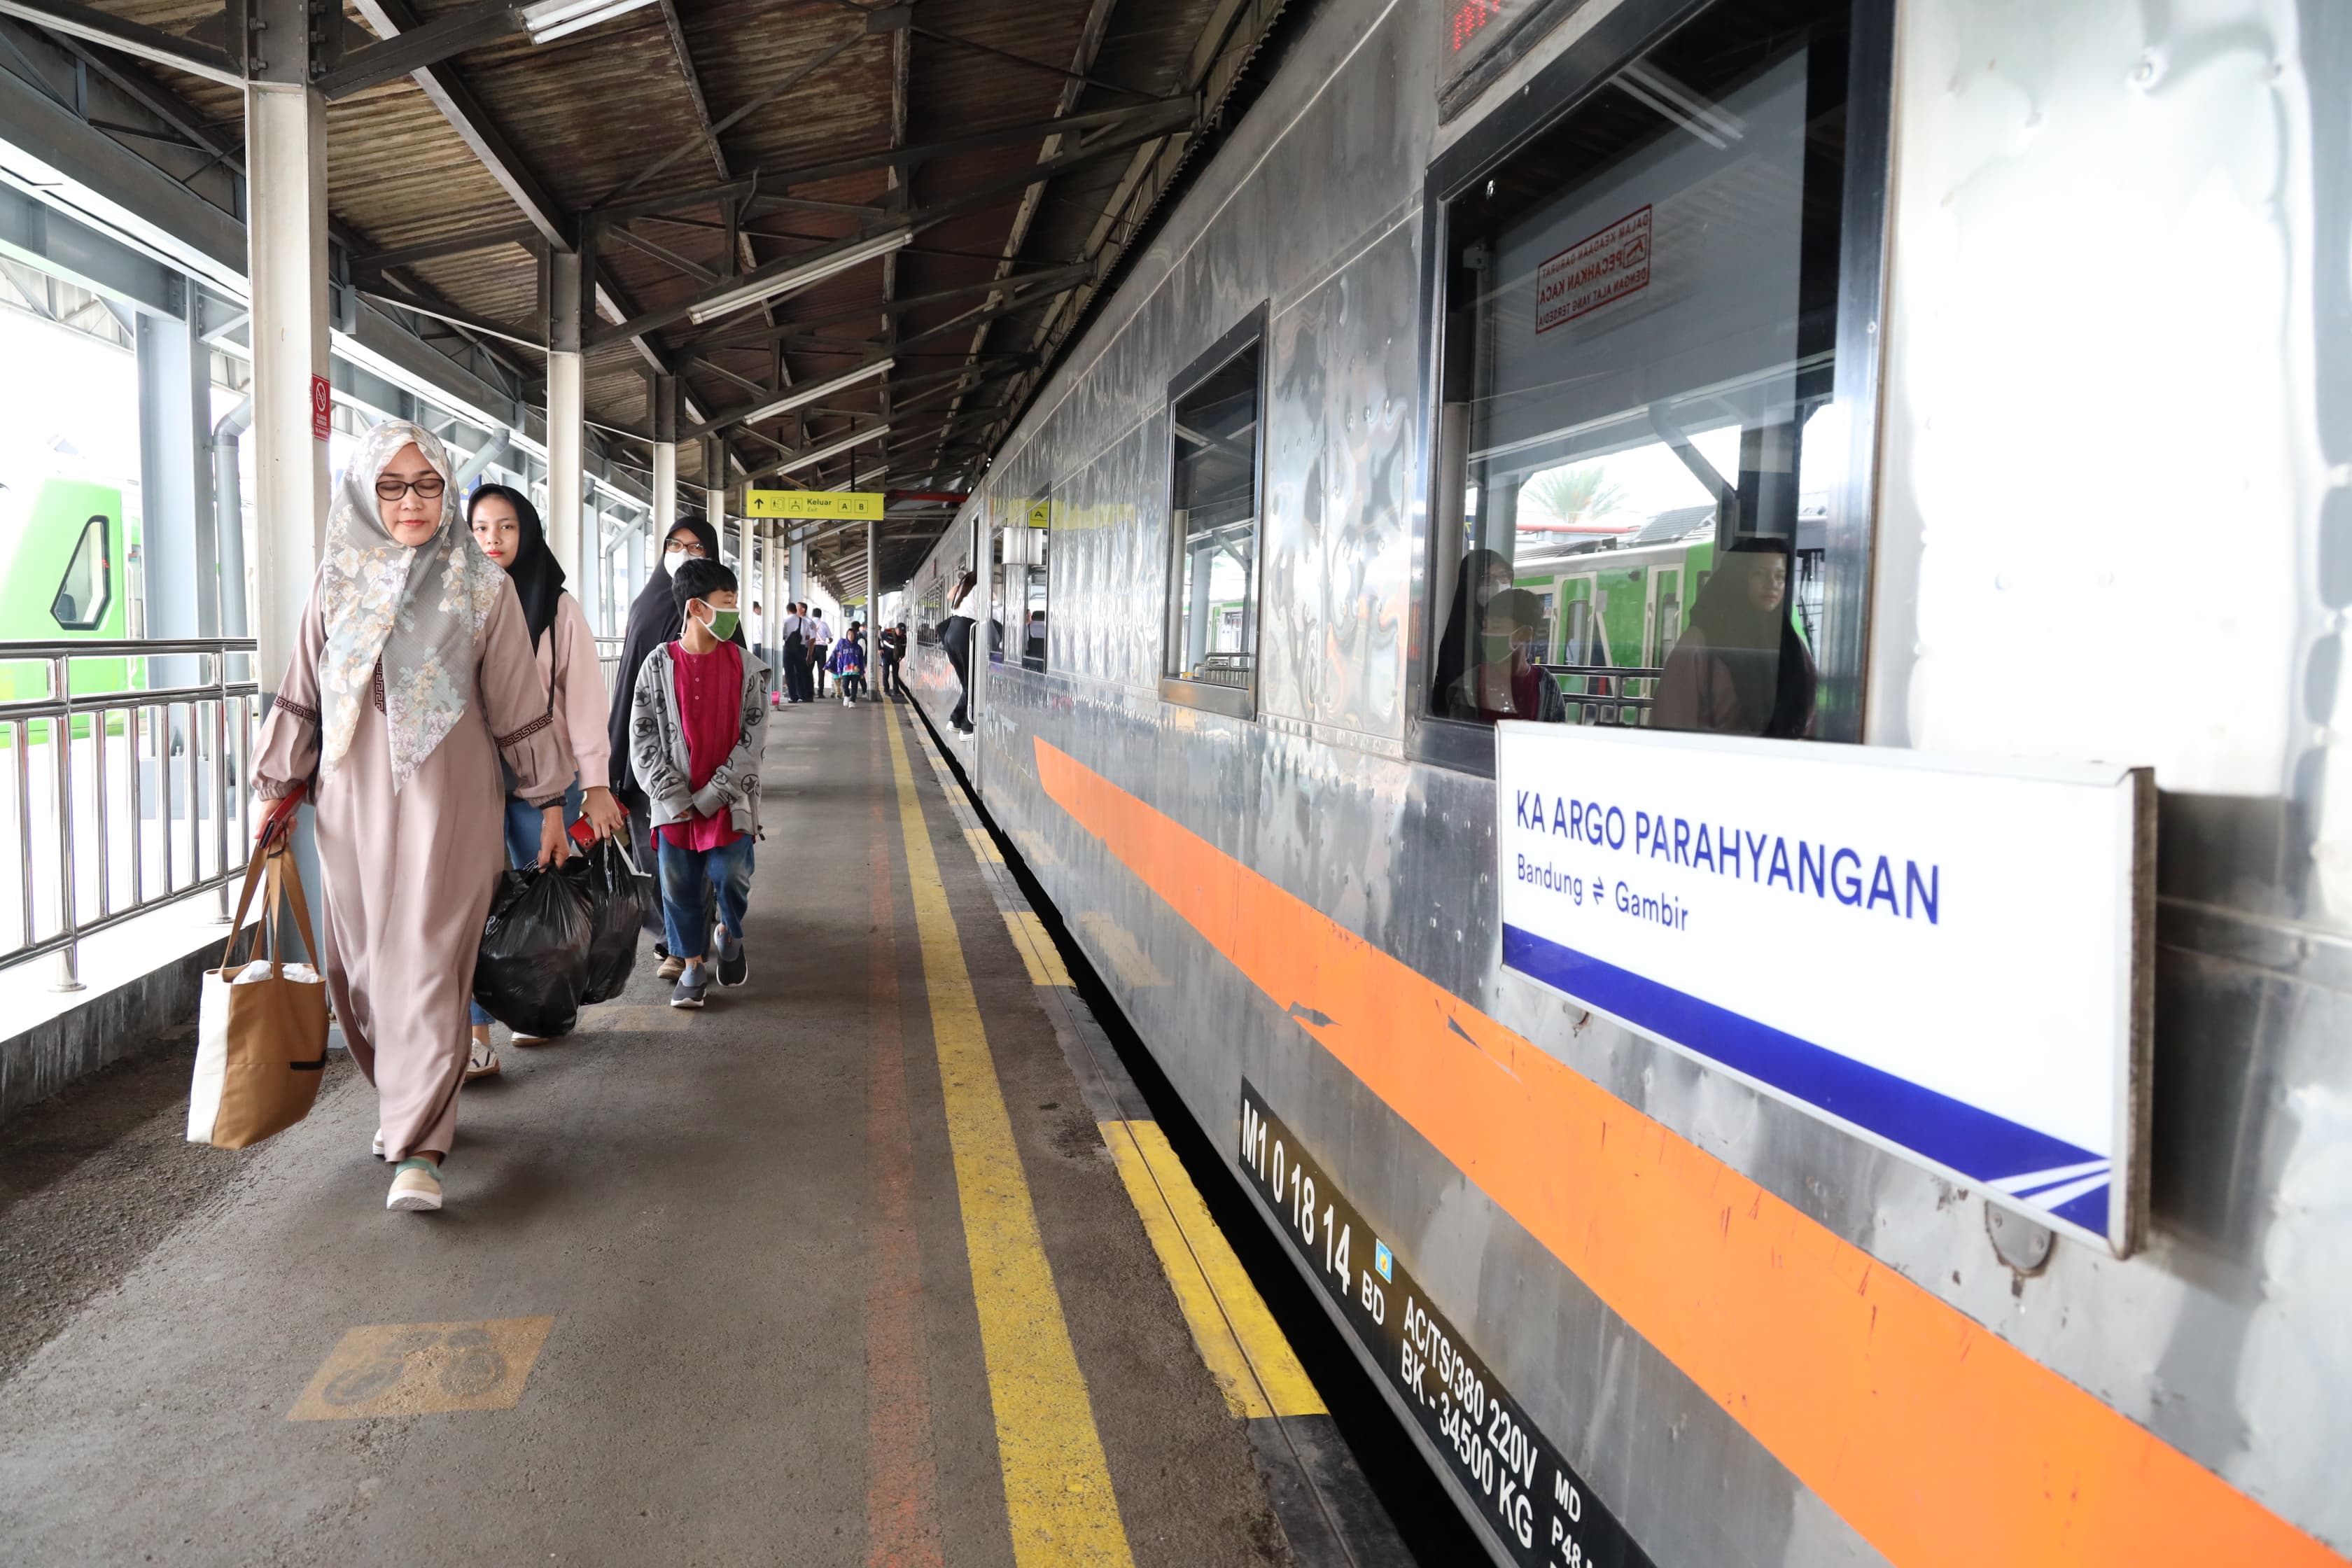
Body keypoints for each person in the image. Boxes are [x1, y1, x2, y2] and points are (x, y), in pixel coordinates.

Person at [251, 422, 571, 1214]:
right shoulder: (336, 584)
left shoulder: (481, 586)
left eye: (427, 484)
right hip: (351, 803)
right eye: (392, 485)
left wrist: (551, 799)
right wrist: (274, 789)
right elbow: (302, 692)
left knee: (429, 961)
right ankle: (403, 1098)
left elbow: (520, 708)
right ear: (364, 489)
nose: (411, 502)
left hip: (452, 800)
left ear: (448, 490)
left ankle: (421, 1147)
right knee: (359, 971)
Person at [461, 484, 628, 1077]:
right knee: (475, 905)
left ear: (526, 531)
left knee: (541, 894)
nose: (492, 541)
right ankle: (475, 1034)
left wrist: (597, 783)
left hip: (543, 783)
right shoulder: (452, 601)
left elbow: (584, 703)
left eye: (505, 527)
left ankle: (531, 1007)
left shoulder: (557, 609)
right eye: (480, 528)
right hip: (470, 783)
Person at [605, 515, 741, 981]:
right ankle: (673, 945)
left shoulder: (723, 614)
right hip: (652, 763)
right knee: (661, 855)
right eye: (675, 545)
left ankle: (693, 947)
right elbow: (626, 688)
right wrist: (615, 763)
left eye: (696, 547)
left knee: (702, 859)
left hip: (708, 763)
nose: (684, 553)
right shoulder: (645, 607)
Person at [629, 557, 767, 1011]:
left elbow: (753, 742)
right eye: (726, 604)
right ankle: (691, 967)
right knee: (679, 888)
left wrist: (711, 797)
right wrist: (671, 794)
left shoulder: (750, 670)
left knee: (732, 877)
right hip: (674, 805)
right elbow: (643, 734)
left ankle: (729, 930)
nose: (733, 614)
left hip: (728, 802)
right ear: (695, 608)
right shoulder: (657, 666)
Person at [1652, 544, 1817, 737]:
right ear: (1737, 578)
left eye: (1780, 577)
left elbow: (1810, 714)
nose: (1772, 584)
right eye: (1759, 574)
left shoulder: (1792, 646)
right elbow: (1672, 721)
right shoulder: (1701, 642)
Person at [1450, 587, 1569, 723]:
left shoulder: (1547, 686)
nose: (1486, 635)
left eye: (1495, 628)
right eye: (1485, 628)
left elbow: (1554, 736)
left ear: (1524, 634)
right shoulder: (1470, 683)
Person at [1434, 547, 1515, 721]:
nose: (1499, 584)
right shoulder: (1462, 635)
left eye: (1503, 575)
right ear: (1470, 585)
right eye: (1487, 578)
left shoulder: (1513, 627)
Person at [940, 570, 976, 733]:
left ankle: (956, 722)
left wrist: (962, 583)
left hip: (950, 635)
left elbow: (949, 595)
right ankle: (964, 725)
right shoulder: (978, 589)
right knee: (973, 684)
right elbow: (995, 599)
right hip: (963, 634)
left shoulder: (960, 596)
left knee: (967, 685)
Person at [776, 601, 808, 704]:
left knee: (789, 673)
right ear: (796, 610)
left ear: (788, 611)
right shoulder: (803, 621)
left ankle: (793, 696)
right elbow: (807, 636)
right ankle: (803, 695)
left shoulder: (785, 621)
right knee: (801, 672)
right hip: (801, 648)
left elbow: (781, 635)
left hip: (789, 649)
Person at [832, 626, 867, 705]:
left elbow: (861, 661)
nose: (851, 636)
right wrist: (839, 671)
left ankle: (852, 701)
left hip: (856, 671)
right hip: (845, 671)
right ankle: (847, 696)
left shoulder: (859, 648)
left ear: (855, 636)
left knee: (854, 687)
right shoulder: (843, 647)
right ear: (847, 635)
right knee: (845, 686)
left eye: (852, 634)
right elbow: (840, 660)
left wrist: (862, 672)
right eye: (849, 634)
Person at [805, 607, 834, 699]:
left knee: (809, 670)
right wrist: (829, 641)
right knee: (821, 671)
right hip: (822, 649)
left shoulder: (809, 623)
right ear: (820, 615)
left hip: (811, 648)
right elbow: (830, 638)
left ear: (812, 615)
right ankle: (820, 692)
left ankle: (810, 691)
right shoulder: (824, 624)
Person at [878, 622, 906, 696]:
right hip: (886, 656)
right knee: (886, 672)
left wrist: (902, 656)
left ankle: (896, 690)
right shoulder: (887, 632)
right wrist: (879, 649)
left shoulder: (903, 637)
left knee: (895, 674)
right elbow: (878, 638)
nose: (901, 633)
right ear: (896, 629)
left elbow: (904, 647)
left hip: (896, 658)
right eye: (900, 631)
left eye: (902, 632)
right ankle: (886, 690)